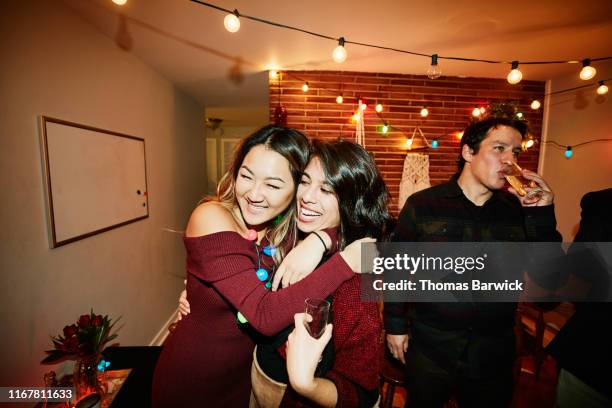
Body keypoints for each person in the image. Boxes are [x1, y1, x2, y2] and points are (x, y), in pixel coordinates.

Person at [152, 126, 368, 408]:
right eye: (246, 176)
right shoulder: (211, 216)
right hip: (192, 380)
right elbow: (264, 315)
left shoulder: (284, 231)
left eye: (273, 184)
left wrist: (320, 239)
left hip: (243, 382)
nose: (253, 194)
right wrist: (345, 263)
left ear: (296, 190)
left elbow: (365, 227)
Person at [384, 115, 563, 407]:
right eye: (499, 149)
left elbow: (548, 297)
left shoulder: (520, 213)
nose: (510, 161)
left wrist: (542, 216)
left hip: (493, 357)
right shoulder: (423, 205)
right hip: (430, 350)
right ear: (468, 152)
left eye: (516, 152)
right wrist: (394, 325)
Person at [547, 188, 612, 407]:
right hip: (597, 359)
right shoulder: (603, 204)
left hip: (595, 356)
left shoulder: (603, 203)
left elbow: (577, 276)